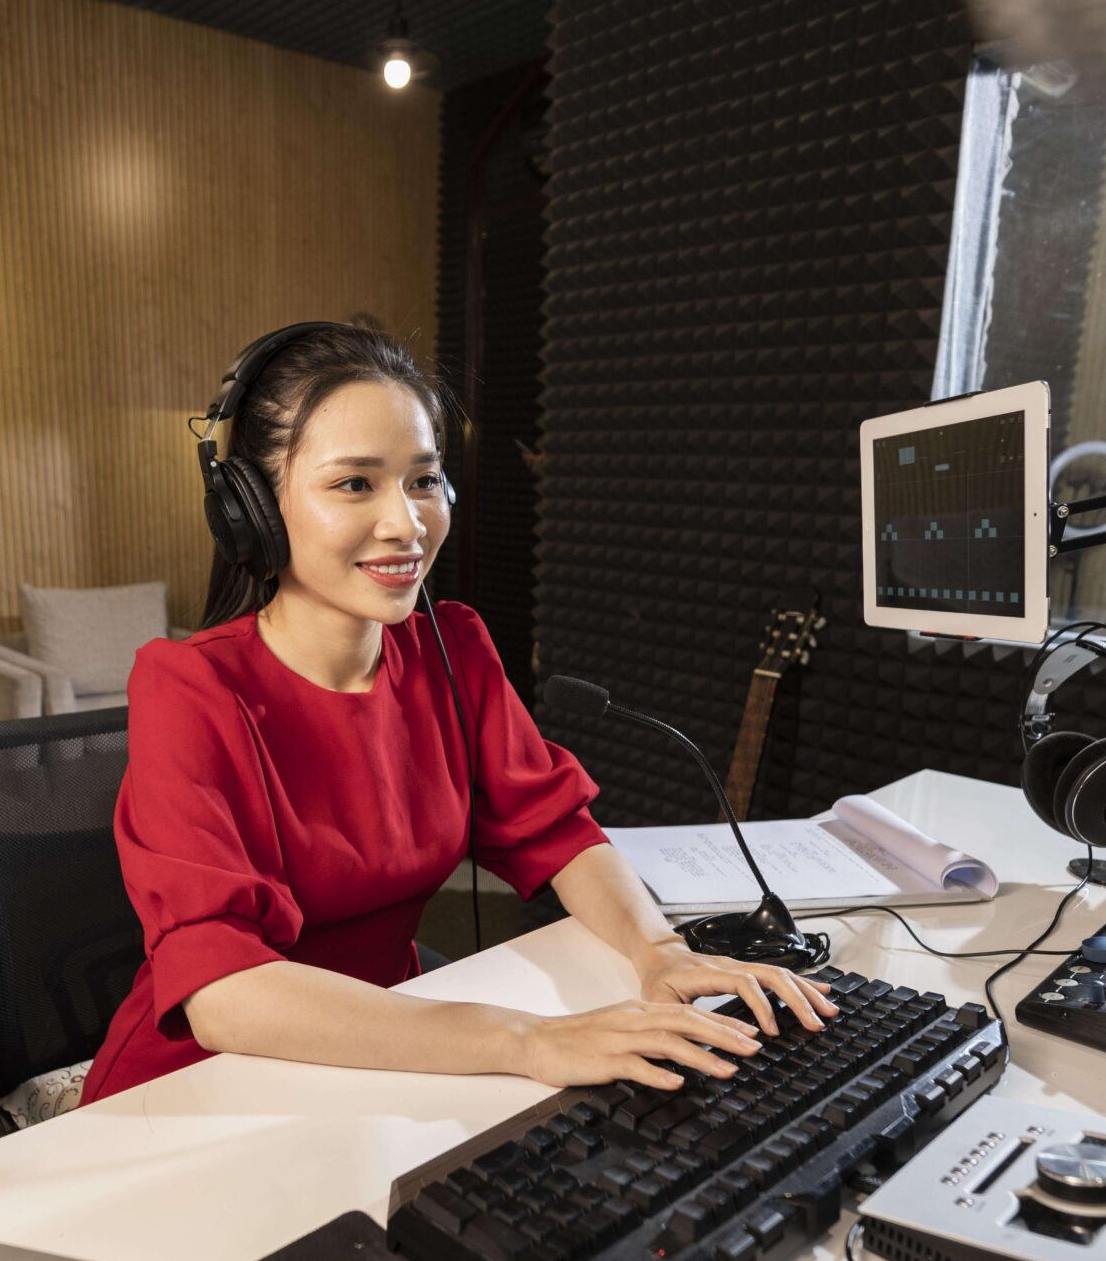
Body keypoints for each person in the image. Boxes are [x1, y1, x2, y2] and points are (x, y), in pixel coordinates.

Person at [80, 323, 833, 1105]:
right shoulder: (190, 688)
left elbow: (555, 830)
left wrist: (659, 950)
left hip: (395, 1052)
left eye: (423, 480)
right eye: (354, 484)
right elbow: (223, 989)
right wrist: (525, 1040)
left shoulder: (456, 650)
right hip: (204, 1086)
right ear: (253, 508)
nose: (407, 524)